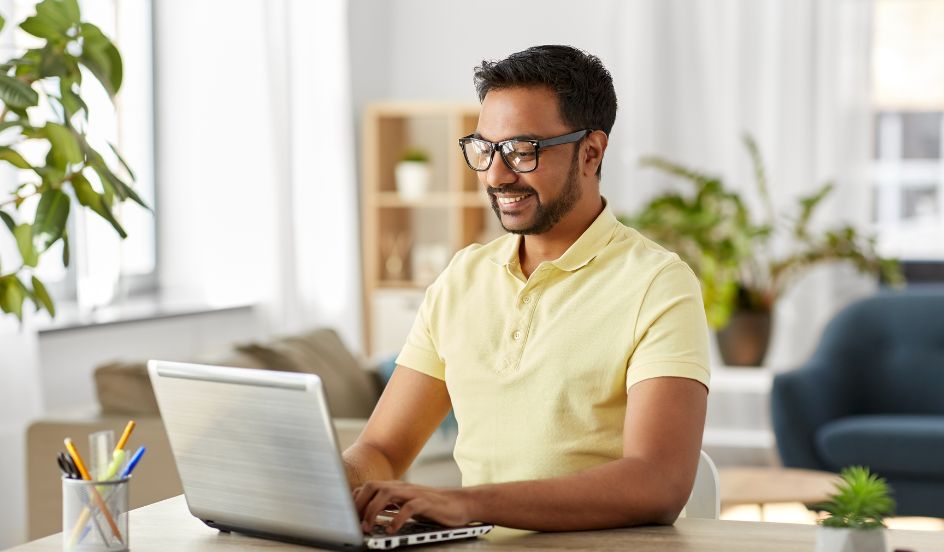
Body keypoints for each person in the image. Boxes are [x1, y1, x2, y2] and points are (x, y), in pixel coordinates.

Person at [345, 45, 710, 534]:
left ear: (592, 152)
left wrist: (468, 503)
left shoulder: (658, 285)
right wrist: (324, 484)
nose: (496, 175)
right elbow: (384, 449)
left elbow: (658, 482)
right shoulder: (462, 278)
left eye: (523, 150)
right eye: (486, 148)